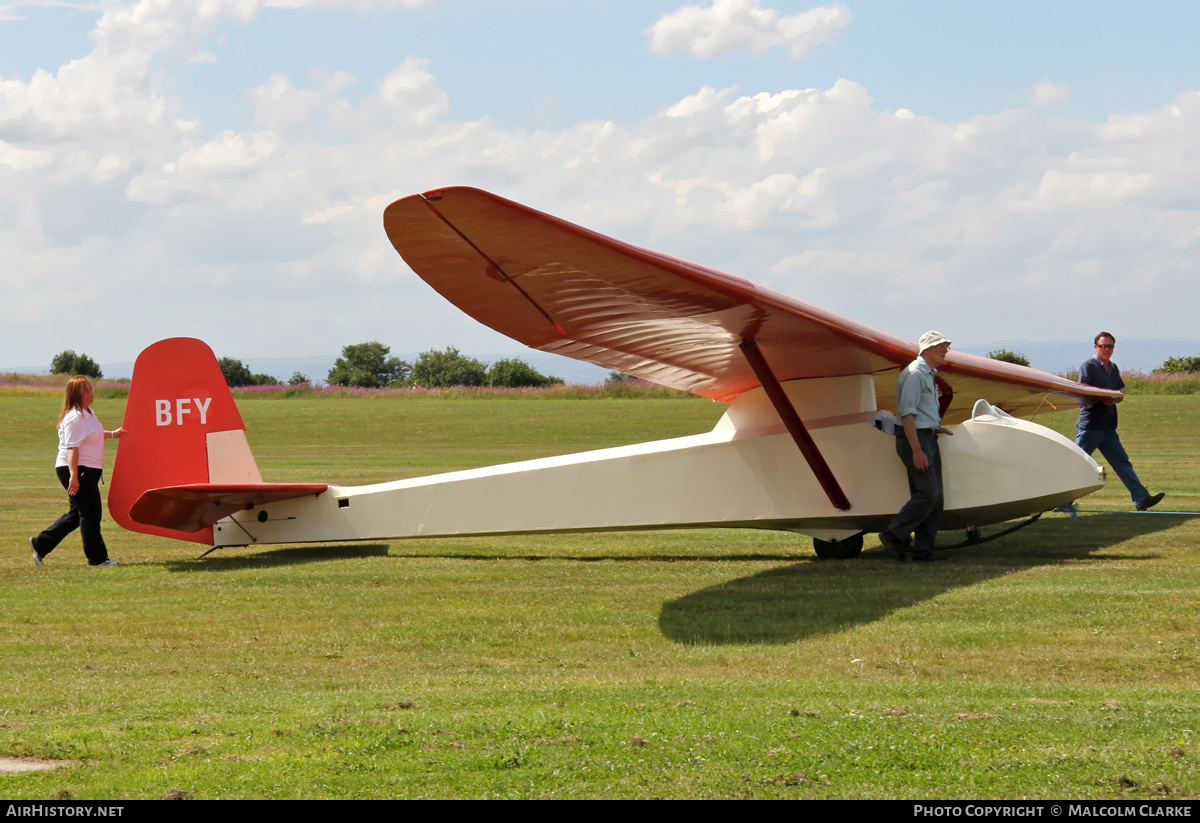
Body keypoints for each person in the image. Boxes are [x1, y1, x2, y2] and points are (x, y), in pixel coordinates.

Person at [29, 376, 125, 567]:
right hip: (76, 468)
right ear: (76, 394)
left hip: (85, 469)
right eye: (86, 390)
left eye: (91, 389)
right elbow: (72, 448)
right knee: (91, 513)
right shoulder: (76, 416)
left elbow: (93, 435)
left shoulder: (88, 413)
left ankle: (40, 544)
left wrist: (114, 434)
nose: (91, 393)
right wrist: (74, 476)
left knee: (76, 515)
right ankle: (97, 559)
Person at [878, 331, 955, 562]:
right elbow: (907, 414)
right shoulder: (914, 373)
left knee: (935, 497)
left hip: (927, 436)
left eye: (946, 346)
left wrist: (933, 427)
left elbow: (919, 413)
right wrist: (917, 449)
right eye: (940, 346)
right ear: (927, 350)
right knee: (928, 493)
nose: (945, 350)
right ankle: (892, 534)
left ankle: (923, 551)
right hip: (917, 440)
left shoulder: (927, 373)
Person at [1075, 332, 1164, 511]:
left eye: (1110, 346)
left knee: (1122, 463)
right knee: (1076, 464)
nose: (1106, 349)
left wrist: (1117, 398)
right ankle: (1062, 503)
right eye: (1102, 346)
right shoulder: (1088, 366)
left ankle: (1141, 499)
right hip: (1090, 427)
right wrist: (1102, 399)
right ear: (1095, 347)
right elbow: (1082, 392)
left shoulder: (1113, 368)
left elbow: (1118, 390)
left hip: (1108, 427)